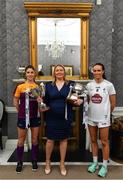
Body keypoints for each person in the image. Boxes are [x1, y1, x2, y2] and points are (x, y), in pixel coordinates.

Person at [43, 64, 82, 176]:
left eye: (61, 70)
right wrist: (41, 102)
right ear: (54, 73)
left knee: (64, 140)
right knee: (50, 140)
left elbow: (76, 99)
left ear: (64, 72)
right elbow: (45, 101)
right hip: (51, 116)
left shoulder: (71, 84)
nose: (59, 72)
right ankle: (47, 162)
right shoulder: (48, 85)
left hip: (66, 116)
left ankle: (62, 163)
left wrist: (79, 102)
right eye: (57, 70)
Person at [86, 63, 116, 177]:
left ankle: (104, 166)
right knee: (93, 141)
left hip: (103, 118)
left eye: (99, 70)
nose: (97, 72)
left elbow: (113, 104)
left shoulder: (109, 85)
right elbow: (89, 101)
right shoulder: (89, 85)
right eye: (95, 70)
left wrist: (106, 114)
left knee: (104, 142)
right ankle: (95, 163)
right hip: (91, 117)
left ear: (103, 71)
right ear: (92, 72)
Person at [13, 65, 41, 173]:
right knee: (21, 140)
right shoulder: (20, 87)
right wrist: (20, 111)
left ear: (34, 74)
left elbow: (40, 102)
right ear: (25, 74)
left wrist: (40, 101)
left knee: (34, 139)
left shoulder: (38, 87)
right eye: (28, 72)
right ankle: (19, 161)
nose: (30, 74)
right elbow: (15, 101)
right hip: (22, 117)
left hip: (35, 117)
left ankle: (34, 160)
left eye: (32, 72)